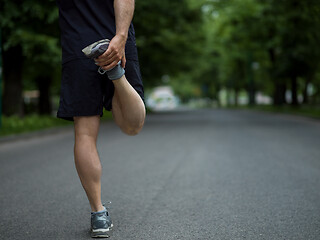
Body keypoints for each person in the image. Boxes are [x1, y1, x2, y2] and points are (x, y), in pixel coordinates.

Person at [56, 0, 146, 237]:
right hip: (116, 36)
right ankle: (115, 72)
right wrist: (121, 37)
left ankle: (98, 214)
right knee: (132, 126)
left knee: (84, 133)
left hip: (78, 44)